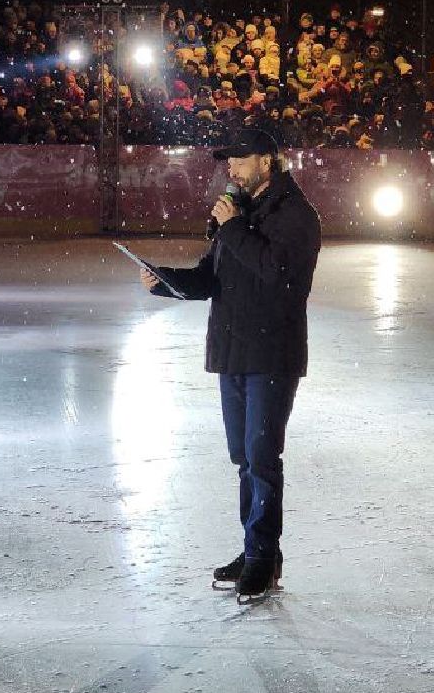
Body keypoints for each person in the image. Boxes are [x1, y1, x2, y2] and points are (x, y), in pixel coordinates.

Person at [138, 125, 322, 602]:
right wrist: (165, 281)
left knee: (262, 459)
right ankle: (256, 549)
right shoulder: (239, 214)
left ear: (266, 160)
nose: (232, 170)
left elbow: (277, 277)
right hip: (233, 351)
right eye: (230, 163)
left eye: (240, 161)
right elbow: (212, 278)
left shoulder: (295, 215)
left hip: (271, 355)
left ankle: (263, 560)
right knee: (244, 458)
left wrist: (233, 226)